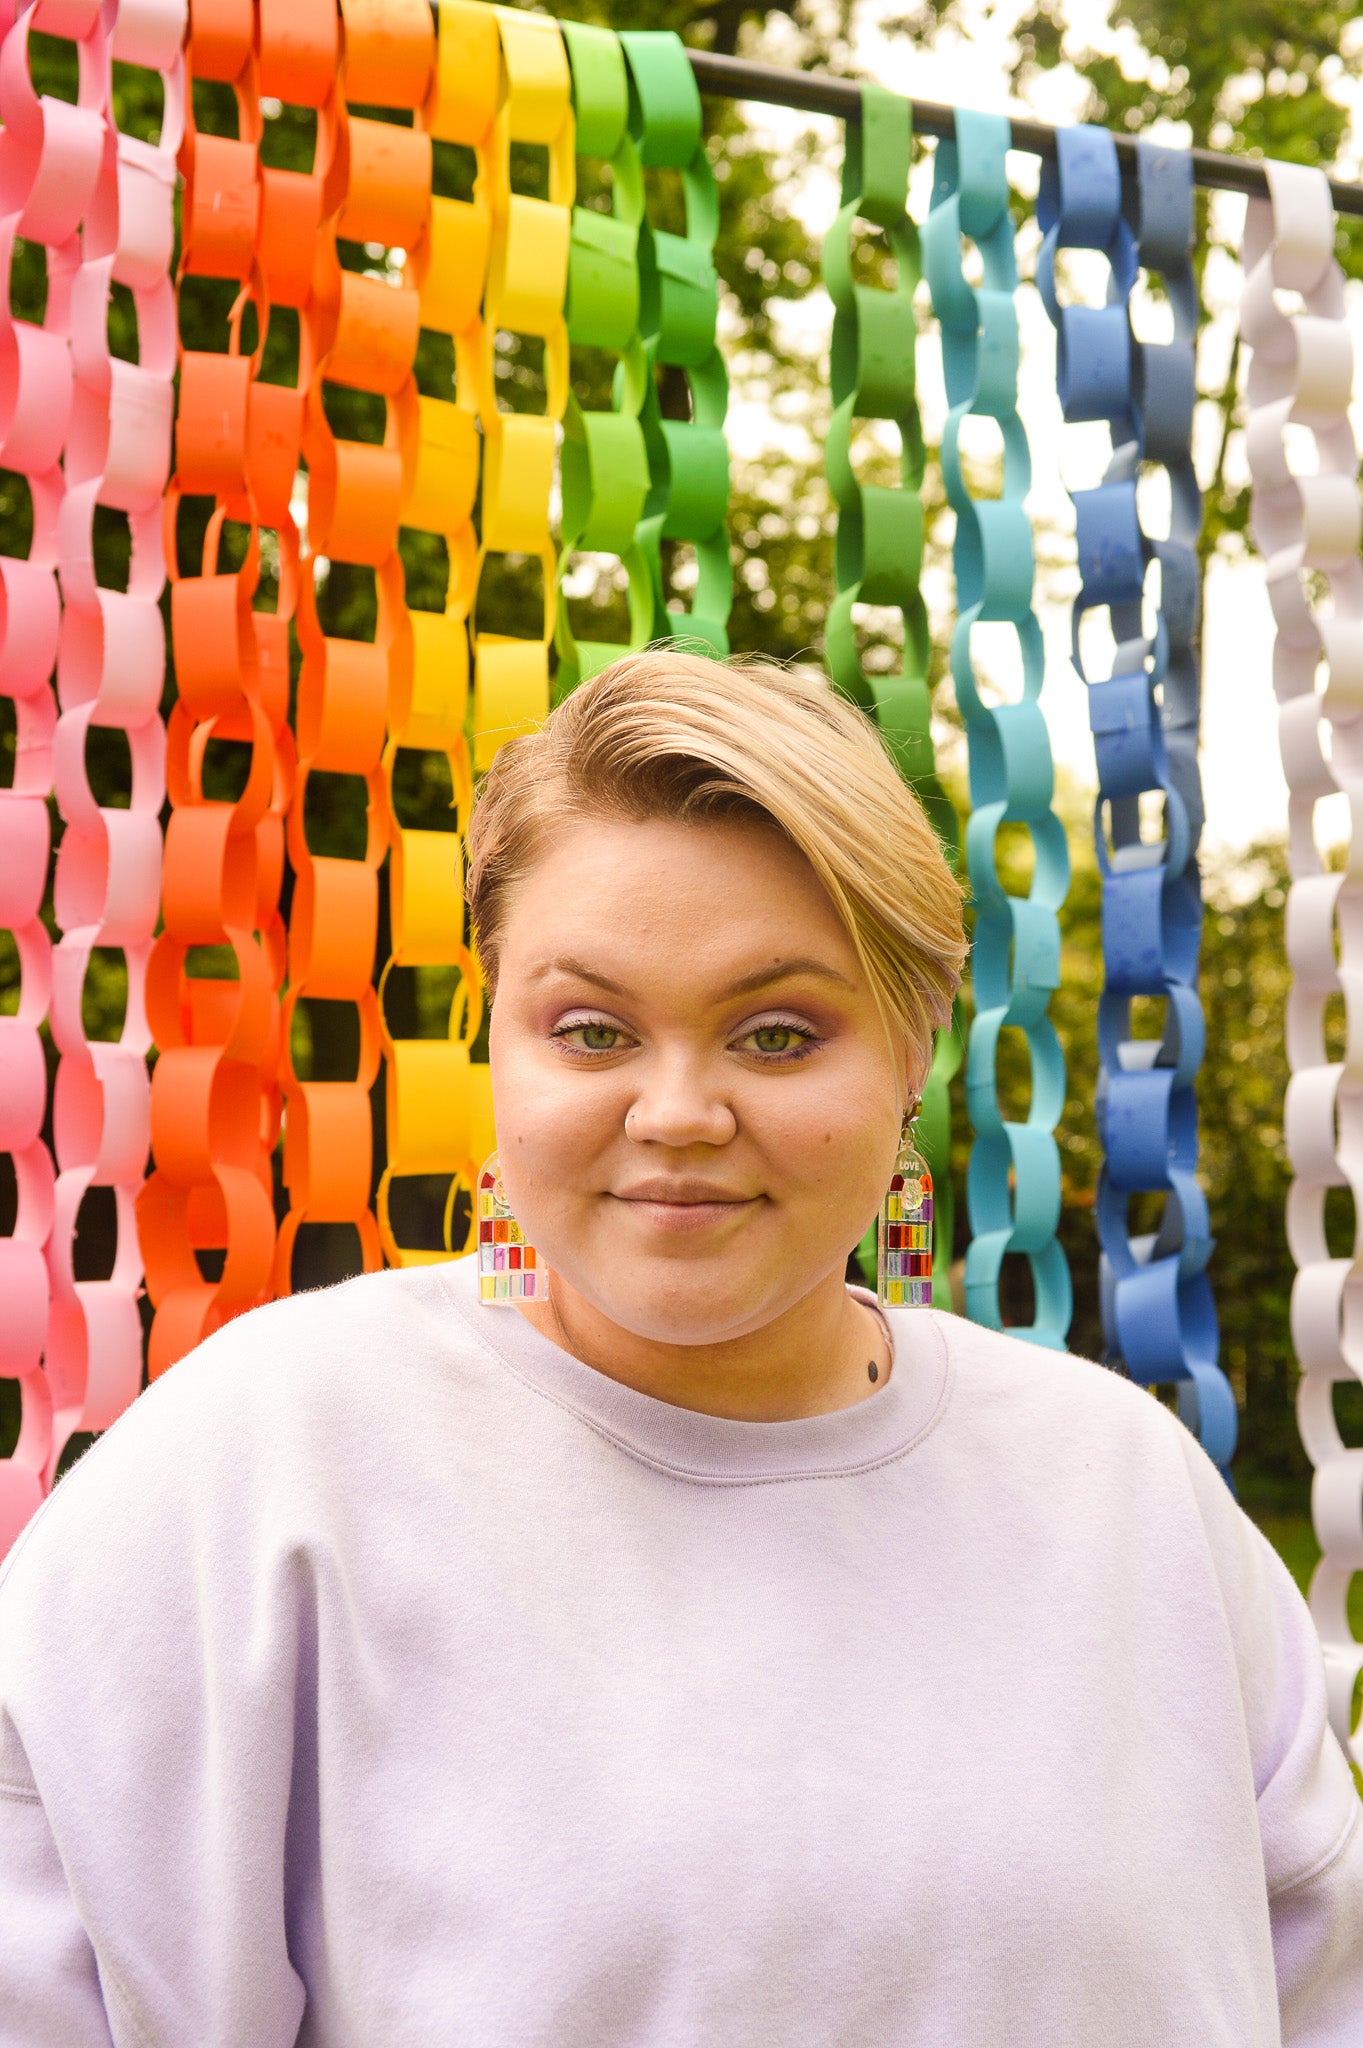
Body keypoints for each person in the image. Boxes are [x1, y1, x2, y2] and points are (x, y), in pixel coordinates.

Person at [0, 650, 1359, 2048]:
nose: (678, 1111)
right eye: (590, 1031)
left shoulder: (1128, 1497)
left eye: (777, 1034)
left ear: (911, 1055)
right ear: (495, 1040)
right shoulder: (262, 1474)